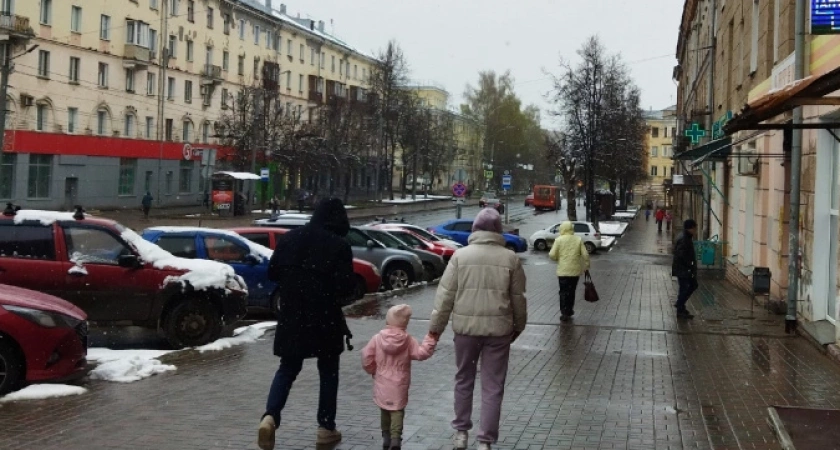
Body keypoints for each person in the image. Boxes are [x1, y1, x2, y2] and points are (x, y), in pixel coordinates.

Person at [258, 198, 356, 450]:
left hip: (292, 316)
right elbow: (345, 287)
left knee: (287, 368)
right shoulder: (339, 245)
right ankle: (325, 427)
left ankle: (270, 416)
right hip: (325, 319)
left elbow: (272, 273)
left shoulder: (290, 238)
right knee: (328, 371)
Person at [429, 208, 527, 450]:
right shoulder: (510, 259)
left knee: (464, 379)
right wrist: (518, 327)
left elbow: (445, 297)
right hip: (499, 331)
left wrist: (435, 329)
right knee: (493, 386)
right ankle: (485, 441)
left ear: (475, 230)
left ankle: (461, 433)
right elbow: (518, 298)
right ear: (498, 231)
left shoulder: (460, 257)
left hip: (465, 331)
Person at [362, 304, 438, 450]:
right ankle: (396, 438)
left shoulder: (377, 339)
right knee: (397, 409)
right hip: (400, 382)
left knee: (384, 408)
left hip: (382, 379)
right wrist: (430, 339)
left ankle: (386, 437)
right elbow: (421, 353)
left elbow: (367, 357)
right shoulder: (408, 340)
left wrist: (373, 370)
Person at [548, 222, 591, 321]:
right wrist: (586, 266)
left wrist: (558, 258)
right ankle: (570, 310)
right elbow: (585, 254)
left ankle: (564, 312)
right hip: (575, 271)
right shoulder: (578, 239)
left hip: (563, 271)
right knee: (571, 291)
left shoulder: (559, 240)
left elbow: (552, 254)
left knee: (563, 292)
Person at [672, 219, 698, 320]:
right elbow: (681, 255)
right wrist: (689, 264)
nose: (695, 231)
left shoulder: (686, 236)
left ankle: (681, 305)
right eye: (695, 228)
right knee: (685, 288)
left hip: (684, 269)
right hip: (683, 269)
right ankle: (680, 308)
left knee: (692, 285)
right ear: (690, 228)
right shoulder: (684, 239)